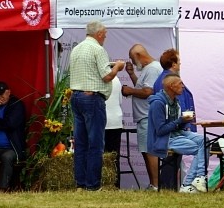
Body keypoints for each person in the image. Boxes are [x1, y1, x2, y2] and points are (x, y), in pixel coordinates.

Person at [68, 21, 125, 191]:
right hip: (92, 98)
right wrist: (118, 68)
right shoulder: (98, 50)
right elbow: (107, 77)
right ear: (99, 34)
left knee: (81, 143)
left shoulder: (77, 49)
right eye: (105, 34)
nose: (105, 37)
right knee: (95, 144)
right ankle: (93, 185)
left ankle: (81, 184)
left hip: (77, 96)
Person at [146, 75, 207, 193]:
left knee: (205, 140)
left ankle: (199, 178)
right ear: (171, 86)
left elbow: (176, 125)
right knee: (199, 148)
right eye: (180, 84)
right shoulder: (157, 104)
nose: (183, 87)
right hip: (164, 139)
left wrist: (185, 122)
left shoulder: (175, 101)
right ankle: (188, 183)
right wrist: (180, 120)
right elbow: (160, 130)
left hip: (177, 134)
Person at [122, 44, 163, 190]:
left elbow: (147, 92)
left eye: (133, 59)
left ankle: (155, 185)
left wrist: (129, 91)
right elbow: (143, 89)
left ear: (139, 55)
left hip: (147, 116)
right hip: (144, 116)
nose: (132, 63)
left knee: (150, 152)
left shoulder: (152, 69)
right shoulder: (148, 69)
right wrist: (132, 74)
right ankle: (153, 184)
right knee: (146, 151)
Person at [153, 49, 197, 133]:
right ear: (173, 64)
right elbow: (180, 103)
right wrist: (186, 126)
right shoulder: (173, 81)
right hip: (179, 129)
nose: (180, 63)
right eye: (179, 61)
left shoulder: (157, 81)